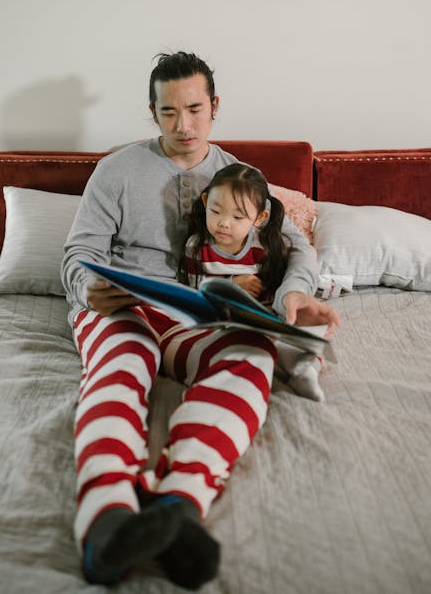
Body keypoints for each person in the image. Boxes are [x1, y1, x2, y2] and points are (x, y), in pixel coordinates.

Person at [61, 51, 339, 589]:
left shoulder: (241, 179)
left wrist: (295, 293)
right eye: (168, 112)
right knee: (121, 366)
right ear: (152, 110)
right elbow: (77, 253)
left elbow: (296, 246)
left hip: (196, 316)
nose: (182, 125)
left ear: (214, 107)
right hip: (125, 306)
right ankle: (105, 520)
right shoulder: (114, 171)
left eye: (194, 109)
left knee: (252, 355)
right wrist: (87, 288)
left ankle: (179, 504)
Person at [179, 162, 326, 402]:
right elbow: (195, 289)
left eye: (238, 216)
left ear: (260, 218)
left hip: (266, 316)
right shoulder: (196, 247)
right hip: (223, 320)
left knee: (308, 330)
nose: (224, 223)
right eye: (216, 212)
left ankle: (306, 370)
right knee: (233, 345)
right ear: (205, 202)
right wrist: (232, 284)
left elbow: (280, 284)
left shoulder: (265, 247)